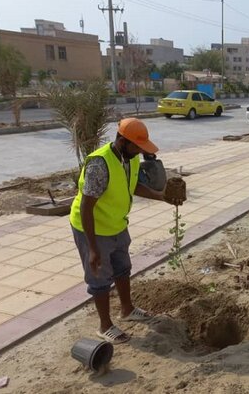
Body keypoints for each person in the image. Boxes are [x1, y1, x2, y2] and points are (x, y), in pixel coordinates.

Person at [69, 118, 184, 344]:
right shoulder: (99, 164)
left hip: (117, 224)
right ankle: (105, 326)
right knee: (99, 277)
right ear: (122, 141)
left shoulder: (128, 159)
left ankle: (127, 309)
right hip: (92, 228)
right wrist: (92, 248)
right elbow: (86, 206)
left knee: (123, 268)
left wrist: (162, 197)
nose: (140, 151)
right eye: (137, 146)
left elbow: (133, 186)